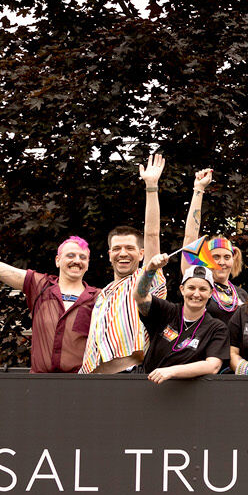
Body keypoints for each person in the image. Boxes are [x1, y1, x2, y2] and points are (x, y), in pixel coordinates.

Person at [0, 178, 97, 373]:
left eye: (83, 257)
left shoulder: (98, 297)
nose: (77, 260)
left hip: (83, 387)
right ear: (58, 260)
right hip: (41, 386)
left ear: (88, 264)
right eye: (71, 255)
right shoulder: (40, 285)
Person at [83, 154, 165, 373]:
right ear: (109, 254)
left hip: (131, 378)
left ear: (141, 254)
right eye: (117, 249)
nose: (123, 253)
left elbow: (152, 234)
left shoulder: (147, 278)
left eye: (129, 248)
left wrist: (151, 187)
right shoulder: (103, 293)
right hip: (95, 380)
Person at [136, 253, 227, 382]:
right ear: (182, 289)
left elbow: (213, 366)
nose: (196, 294)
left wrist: (172, 371)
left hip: (189, 395)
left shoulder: (216, 327)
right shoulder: (167, 311)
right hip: (150, 385)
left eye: (203, 289)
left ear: (210, 293)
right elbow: (140, 297)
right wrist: (150, 269)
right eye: (191, 287)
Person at [178, 167, 243, 325]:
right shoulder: (197, 285)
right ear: (205, 260)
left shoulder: (242, 294)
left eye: (226, 257)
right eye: (216, 257)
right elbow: (190, 238)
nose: (221, 262)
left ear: (233, 260)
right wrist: (199, 189)